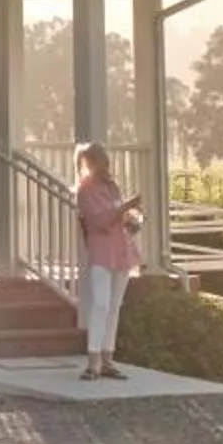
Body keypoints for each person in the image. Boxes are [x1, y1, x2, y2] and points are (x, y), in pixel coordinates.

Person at [75, 140, 142, 380]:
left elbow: (118, 216)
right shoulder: (85, 190)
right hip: (102, 252)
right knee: (100, 304)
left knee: (114, 306)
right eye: (102, 162)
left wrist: (131, 218)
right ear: (92, 163)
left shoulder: (112, 187)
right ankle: (93, 360)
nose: (107, 167)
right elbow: (99, 221)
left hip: (121, 251)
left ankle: (108, 358)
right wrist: (126, 206)